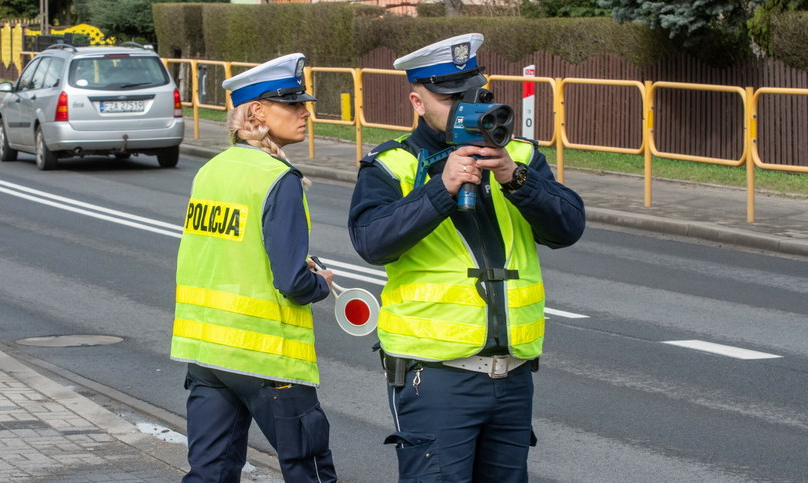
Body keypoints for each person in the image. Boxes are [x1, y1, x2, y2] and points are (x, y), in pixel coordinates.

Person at [348, 33, 585, 482]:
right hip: (435, 377)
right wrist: (442, 189)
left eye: (474, 92)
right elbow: (371, 242)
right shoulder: (392, 163)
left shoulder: (519, 156)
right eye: (451, 96)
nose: (465, 105)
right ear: (418, 101)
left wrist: (517, 179)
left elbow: (568, 228)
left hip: (513, 375)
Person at [170, 53, 337, 483]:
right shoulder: (278, 178)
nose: (305, 113)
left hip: (207, 355)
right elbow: (292, 282)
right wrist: (319, 283)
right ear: (257, 113)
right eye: (292, 104)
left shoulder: (210, 171)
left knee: (210, 474)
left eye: (304, 104)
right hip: (266, 360)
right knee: (310, 473)